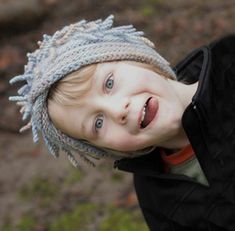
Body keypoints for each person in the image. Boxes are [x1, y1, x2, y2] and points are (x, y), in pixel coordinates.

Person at [9, 15, 235, 230]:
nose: (118, 111)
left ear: (137, 57)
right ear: (106, 149)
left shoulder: (229, 70)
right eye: (98, 123)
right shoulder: (156, 196)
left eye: (109, 83)